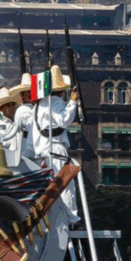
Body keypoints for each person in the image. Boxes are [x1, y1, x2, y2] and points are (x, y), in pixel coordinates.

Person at [30, 66, 81, 224]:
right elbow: (64, 120)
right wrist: (73, 102)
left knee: (47, 189)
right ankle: (71, 220)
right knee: (65, 186)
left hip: (41, 152)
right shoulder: (55, 101)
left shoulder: (38, 106)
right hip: (56, 149)